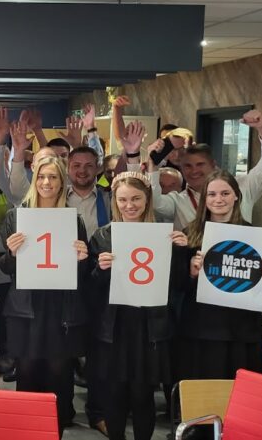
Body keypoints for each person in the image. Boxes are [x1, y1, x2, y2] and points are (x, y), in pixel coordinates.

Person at [87, 172, 189, 440]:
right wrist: (101, 269)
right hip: (114, 327)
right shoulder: (102, 236)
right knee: (115, 394)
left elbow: (178, 285)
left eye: (135, 199)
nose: (129, 205)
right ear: (114, 201)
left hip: (149, 327)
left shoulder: (165, 236)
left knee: (143, 394)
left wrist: (181, 254)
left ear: (147, 200)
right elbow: (90, 289)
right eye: (122, 200)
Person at [0, 155, 90, 435]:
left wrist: (84, 259)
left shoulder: (74, 220)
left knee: (60, 377)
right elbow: (4, 266)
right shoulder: (16, 216)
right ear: (34, 180)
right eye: (41, 176)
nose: (46, 182)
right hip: (26, 308)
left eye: (53, 177)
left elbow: (83, 275)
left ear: (63, 182)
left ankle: (55, 431)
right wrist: (12, 253)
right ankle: (27, 432)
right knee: (27, 374)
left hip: (62, 309)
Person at [177, 170, 262, 381]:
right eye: (212, 194)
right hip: (201, 329)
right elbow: (177, 287)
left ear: (236, 196)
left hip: (242, 331)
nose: (218, 199)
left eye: (225, 193)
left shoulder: (253, 236)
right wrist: (191, 274)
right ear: (205, 199)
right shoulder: (189, 235)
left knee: (241, 398)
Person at [148, 109, 262, 230]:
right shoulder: (177, 201)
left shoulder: (243, 187)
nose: (194, 171)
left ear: (213, 164)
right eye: (188, 166)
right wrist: (153, 163)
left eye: (200, 164)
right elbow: (154, 202)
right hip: (195, 258)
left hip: (236, 257)